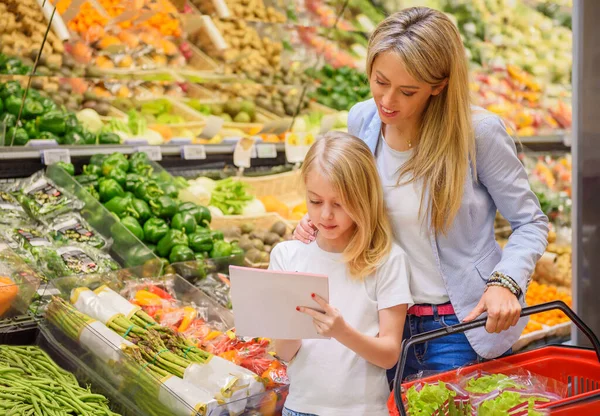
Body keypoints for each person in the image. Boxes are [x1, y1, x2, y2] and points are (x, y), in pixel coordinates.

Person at [294, 7, 549, 381]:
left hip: (459, 328)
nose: (387, 101)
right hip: (381, 324)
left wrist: (505, 282)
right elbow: (357, 201)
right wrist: (323, 220)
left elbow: (531, 222)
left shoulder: (478, 133)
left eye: (407, 90)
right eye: (379, 81)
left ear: (439, 84)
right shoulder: (362, 120)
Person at [270, 131, 413, 416]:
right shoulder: (287, 256)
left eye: (339, 203)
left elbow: (388, 355)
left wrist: (341, 331)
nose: (325, 215)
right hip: (299, 408)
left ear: (364, 199)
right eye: (315, 201)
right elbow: (284, 353)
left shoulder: (387, 260)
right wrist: (285, 323)